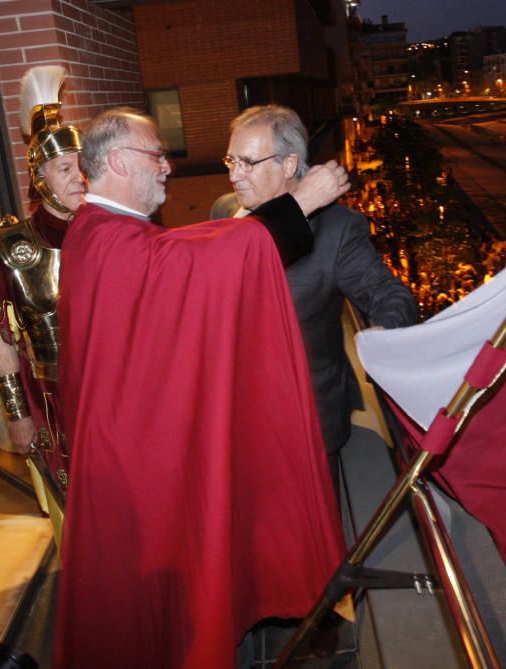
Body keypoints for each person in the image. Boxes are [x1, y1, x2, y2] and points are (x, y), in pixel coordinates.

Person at [53, 107, 351, 669]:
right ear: (117, 160)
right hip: (137, 465)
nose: (168, 166)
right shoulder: (111, 239)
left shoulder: (103, 233)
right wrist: (302, 204)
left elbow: (193, 253)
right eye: (156, 154)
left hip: (130, 451)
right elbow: (201, 262)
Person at [222, 104, 417, 492]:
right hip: (239, 410)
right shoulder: (225, 210)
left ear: (290, 163)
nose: (233, 174)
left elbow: (389, 293)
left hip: (305, 415)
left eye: (247, 162)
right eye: (230, 159)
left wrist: (383, 336)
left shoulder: (338, 230)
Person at [0, 65, 84, 535]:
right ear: (39, 177)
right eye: (65, 169)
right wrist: (17, 416)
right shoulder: (11, 246)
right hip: (50, 399)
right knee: (74, 508)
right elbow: (0, 338)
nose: (79, 178)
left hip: (111, 390)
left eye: (83, 167)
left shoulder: (109, 230)